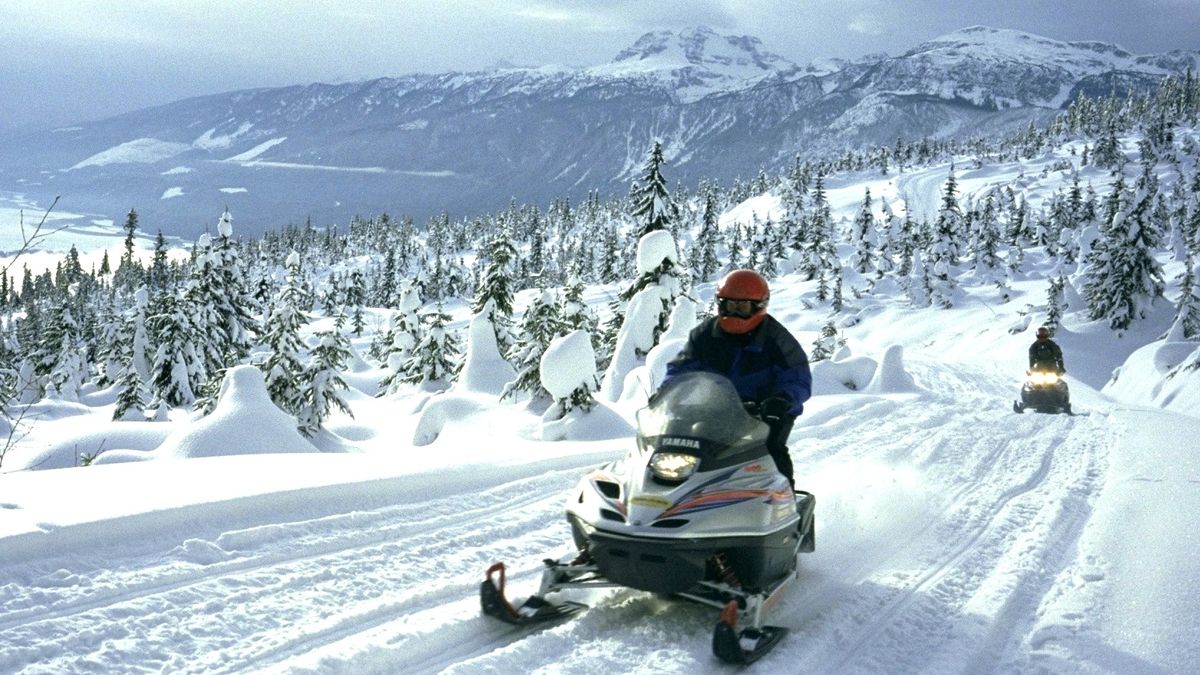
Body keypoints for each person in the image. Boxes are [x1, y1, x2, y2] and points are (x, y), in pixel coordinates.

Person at [663, 269, 812, 488]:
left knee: (770, 450)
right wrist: (668, 392)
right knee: (678, 443)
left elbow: (798, 377)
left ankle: (785, 500)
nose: (734, 313)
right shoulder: (705, 334)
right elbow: (681, 368)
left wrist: (783, 399)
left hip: (765, 411)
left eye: (742, 307)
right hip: (715, 406)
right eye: (729, 305)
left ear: (759, 307)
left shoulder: (777, 339)